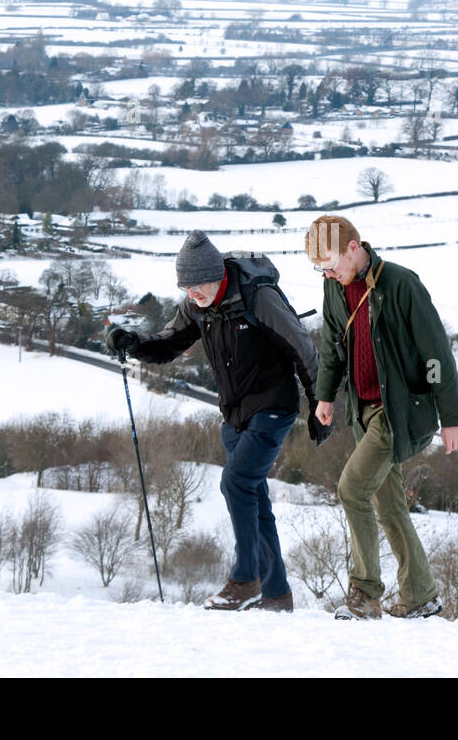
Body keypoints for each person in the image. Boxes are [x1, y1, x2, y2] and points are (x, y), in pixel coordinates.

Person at [107, 230, 325, 612]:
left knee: (236, 482)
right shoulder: (197, 306)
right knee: (255, 499)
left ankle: (245, 580)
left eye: (198, 285)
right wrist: (133, 342)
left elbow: (302, 348)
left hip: (273, 406)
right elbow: (167, 344)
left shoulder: (259, 297)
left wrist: (320, 405)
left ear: (218, 273)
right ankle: (277, 594)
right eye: (186, 287)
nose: (193, 293)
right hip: (235, 414)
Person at [306, 215, 458, 620]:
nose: (328, 273)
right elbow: (330, 343)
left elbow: (436, 354)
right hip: (363, 411)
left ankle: (365, 594)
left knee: (351, 489)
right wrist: (325, 395)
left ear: (354, 248)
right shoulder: (334, 288)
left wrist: (451, 416)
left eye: (332, 264)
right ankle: (420, 595)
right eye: (320, 268)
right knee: (388, 504)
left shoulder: (399, 284)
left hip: (396, 412)